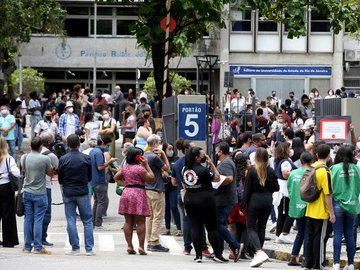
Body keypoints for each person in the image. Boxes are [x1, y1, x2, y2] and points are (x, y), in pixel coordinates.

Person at [182, 146, 228, 263]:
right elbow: (217, 178)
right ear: (197, 157)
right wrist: (212, 163)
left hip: (190, 199)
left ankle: (198, 255)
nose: (205, 158)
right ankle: (217, 254)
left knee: (195, 227)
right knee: (211, 227)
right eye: (203, 156)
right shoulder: (203, 170)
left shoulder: (184, 169)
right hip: (205, 199)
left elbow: (184, 184)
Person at [171, 138, 211, 257]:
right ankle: (203, 247)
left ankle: (187, 247)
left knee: (187, 220)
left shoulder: (177, 163)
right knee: (200, 221)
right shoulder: (193, 164)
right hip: (196, 194)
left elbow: (173, 182)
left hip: (182, 193)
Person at [241, 147, 279, 267]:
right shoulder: (271, 170)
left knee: (251, 227)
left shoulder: (252, 170)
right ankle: (259, 253)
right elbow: (276, 187)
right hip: (267, 200)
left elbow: (247, 190)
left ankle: (258, 251)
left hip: (254, 201)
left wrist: (243, 205)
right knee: (261, 228)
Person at [58, 134, 95, 256]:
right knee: (87, 220)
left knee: (71, 220)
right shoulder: (86, 158)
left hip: (68, 191)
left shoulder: (63, 159)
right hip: (83, 191)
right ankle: (89, 248)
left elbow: (60, 179)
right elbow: (90, 177)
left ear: (67, 145)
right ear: (79, 144)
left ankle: (75, 247)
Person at [115, 147, 155, 255]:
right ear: (138, 157)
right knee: (140, 222)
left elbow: (116, 177)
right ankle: (141, 247)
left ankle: (129, 246)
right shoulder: (140, 169)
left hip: (127, 192)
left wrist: (126, 184)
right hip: (138, 193)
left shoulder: (125, 168)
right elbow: (151, 178)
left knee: (128, 222)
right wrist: (146, 164)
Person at [304, 144, 335, 270]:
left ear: (316, 154)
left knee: (311, 237)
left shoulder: (312, 167)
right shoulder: (325, 171)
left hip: (310, 207)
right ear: (328, 155)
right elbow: (327, 194)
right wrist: (331, 212)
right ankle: (318, 264)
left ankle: (308, 263)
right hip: (321, 210)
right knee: (320, 238)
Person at [21, 136, 54, 254]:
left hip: (27, 191)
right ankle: (38, 247)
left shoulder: (24, 157)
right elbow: (50, 173)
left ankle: (27, 246)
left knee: (28, 219)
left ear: (31, 146)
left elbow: (24, 171)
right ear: (41, 146)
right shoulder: (45, 159)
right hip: (40, 192)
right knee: (38, 219)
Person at [331, 146, 360, 270]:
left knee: (337, 233)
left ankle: (336, 263)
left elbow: (329, 189)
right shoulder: (357, 169)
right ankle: (351, 264)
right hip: (352, 204)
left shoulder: (334, 169)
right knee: (349, 234)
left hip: (337, 203)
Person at [215, 142, 242, 262]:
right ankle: (219, 252)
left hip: (224, 199)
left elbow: (229, 178)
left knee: (217, 224)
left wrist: (216, 184)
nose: (216, 153)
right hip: (224, 199)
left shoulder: (226, 163)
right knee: (220, 224)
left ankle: (235, 245)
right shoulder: (226, 162)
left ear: (221, 152)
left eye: (217, 151)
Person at [144, 134, 170, 252]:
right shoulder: (155, 157)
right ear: (154, 144)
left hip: (147, 188)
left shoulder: (144, 155)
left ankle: (149, 239)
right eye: (158, 143)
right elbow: (167, 168)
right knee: (158, 216)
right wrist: (164, 154)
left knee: (149, 216)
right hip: (156, 189)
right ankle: (154, 241)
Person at [287, 152, 312, 266]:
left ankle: (293, 256)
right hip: (308, 206)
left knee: (300, 232)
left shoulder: (293, 173)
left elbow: (289, 189)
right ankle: (306, 258)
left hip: (296, 206)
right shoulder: (311, 173)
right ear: (311, 161)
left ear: (301, 161)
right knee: (307, 233)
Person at [89, 135, 118, 229]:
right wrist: (110, 161)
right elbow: (100, 167)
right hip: (99, 180)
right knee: (101, 202)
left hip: (93, 180)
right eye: (107, 145)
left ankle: (94, 222)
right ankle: (98, 223)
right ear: (103, 144)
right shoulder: (98, 153)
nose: (108, 147)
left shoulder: (93, 151)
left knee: (97, 202)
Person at [273, 142, 297, 244]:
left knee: (283, 213)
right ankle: (284, 233)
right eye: (289, 148)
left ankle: (279, 233)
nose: (291, 150)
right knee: (290, 212)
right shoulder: (285, 162)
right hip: (286, 191)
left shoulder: (281, 161)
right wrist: (298, 172)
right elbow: (286, 174)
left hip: (282, 191)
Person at [0, 137, 20, 247]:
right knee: (8, 215)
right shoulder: (8, 158)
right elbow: (15, 172)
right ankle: (9, 240)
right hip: (6, 187)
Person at [40, 133, 59, 247]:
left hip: (31, 187)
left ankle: (33, 238)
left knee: (34, 214)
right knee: (46, 214)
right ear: (49, 142)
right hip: (45, 187)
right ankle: (42, 237)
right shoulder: (51, 156)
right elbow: (56, 169)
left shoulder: (31, 154)